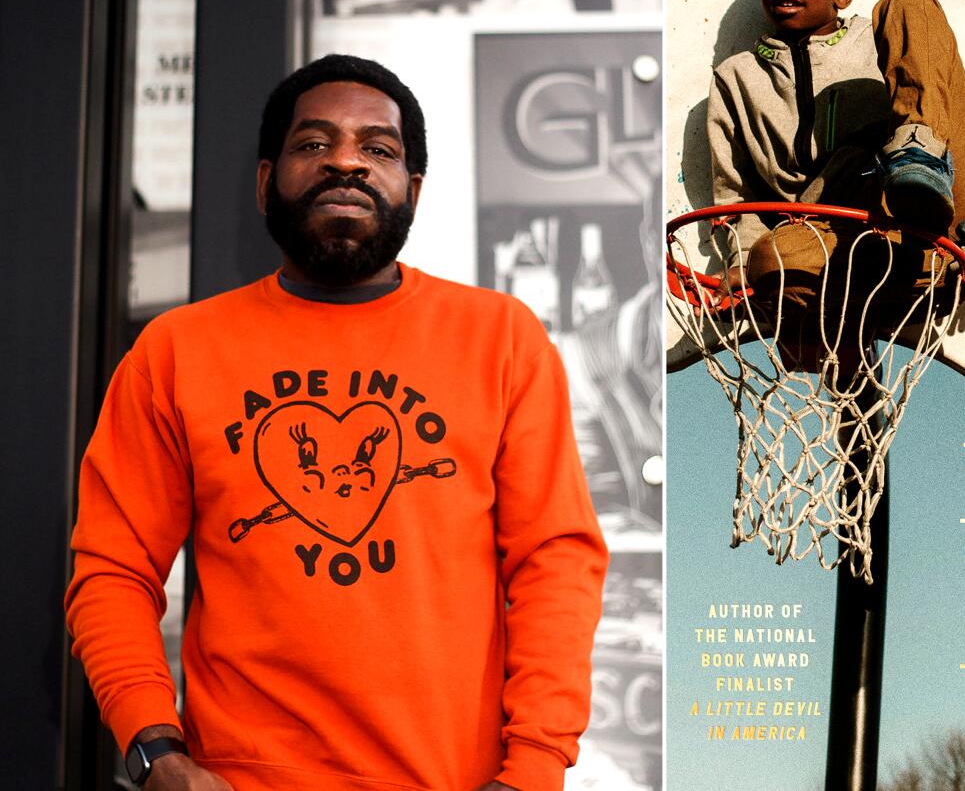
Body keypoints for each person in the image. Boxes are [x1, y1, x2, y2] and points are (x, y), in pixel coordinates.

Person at [65, 55, 608, 791]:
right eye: (313, 144)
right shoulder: (175, 352)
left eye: (377, 149)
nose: (345, 161)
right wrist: (155, 749)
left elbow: (555, 564)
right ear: (265, 183)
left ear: (412, 193)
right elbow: (113, 570)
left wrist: (535, 768)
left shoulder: (501, 339)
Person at [708, 0, 965, 319]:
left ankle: (919, 158)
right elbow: (740, 192)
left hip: (955, 191)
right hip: (862, 233)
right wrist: (743, 260)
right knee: (770, 265)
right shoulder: (736, 77)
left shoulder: (882, 38)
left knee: (909, 1)